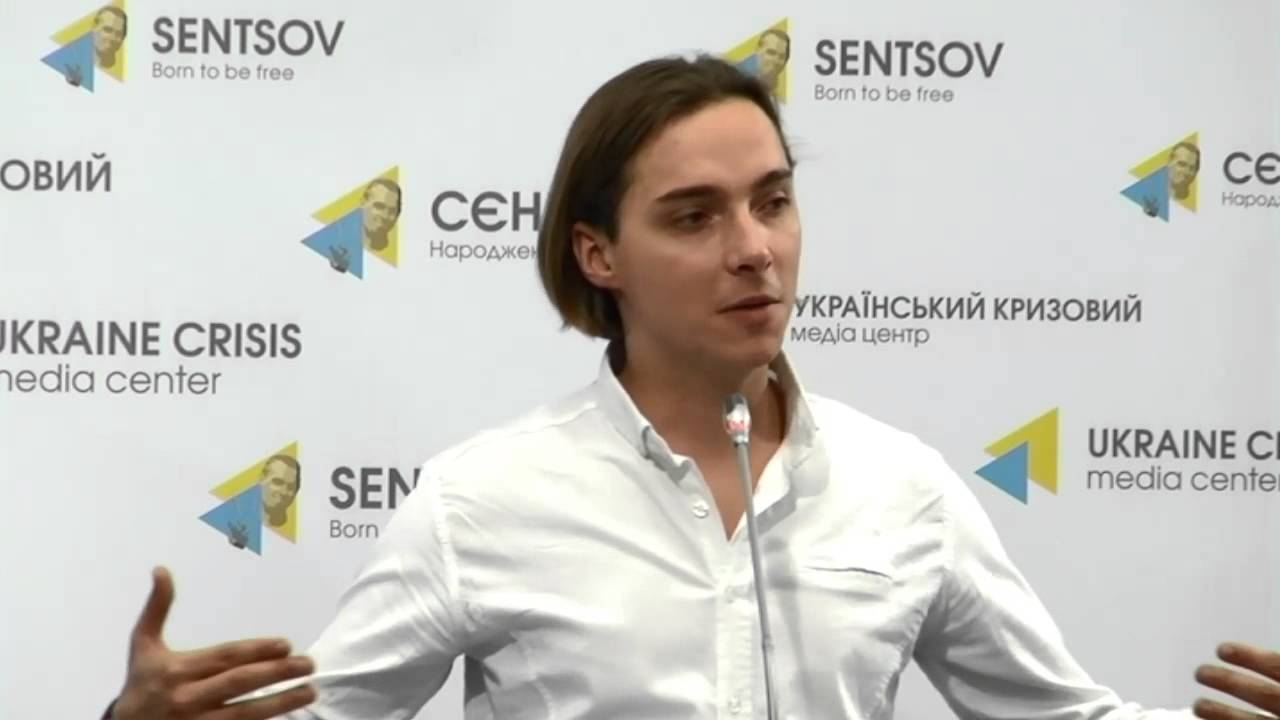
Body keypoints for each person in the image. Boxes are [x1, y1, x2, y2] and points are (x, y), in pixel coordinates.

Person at [103, 54, 1279, 720]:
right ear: (597, 254)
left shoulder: (903, 488)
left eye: (772, 201)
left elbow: (1063, 717)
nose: (754, 248)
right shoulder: (479, 502)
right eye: (693, 216)